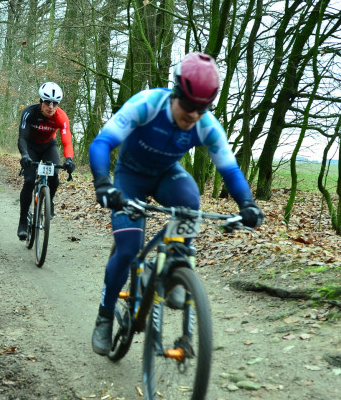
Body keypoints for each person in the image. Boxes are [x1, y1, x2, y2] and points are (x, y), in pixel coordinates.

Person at [88, 52, 264, 355]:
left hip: (167, 176)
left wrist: (247, 204)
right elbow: (102, 143)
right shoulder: (147, 104)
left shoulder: (207, 125)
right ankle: (105, 317)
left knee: (189, 200)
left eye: (203, 107)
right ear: (175, 93)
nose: (194, 114)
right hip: (130, 177)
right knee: (129, 248)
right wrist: (103, 184)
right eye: (189, 105)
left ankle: (177, 271)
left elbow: (230, 170)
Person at [17, 82, 76, 239]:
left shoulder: (61, 117)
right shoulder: (29, 112)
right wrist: (24, 155)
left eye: (55, 103)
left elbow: (67, 142)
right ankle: (23, 221)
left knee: (55, 176)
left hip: (49, 146)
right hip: (30, 147)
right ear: (41, 101)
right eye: (47, 102)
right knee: (29, 181)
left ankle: (49, 201)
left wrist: (69, 159)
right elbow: (22, 137)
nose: (51, 106)